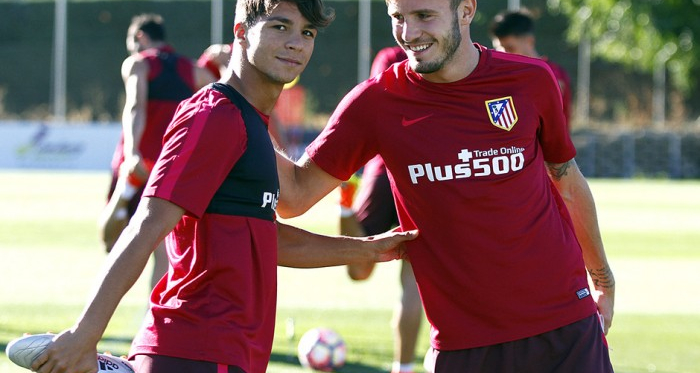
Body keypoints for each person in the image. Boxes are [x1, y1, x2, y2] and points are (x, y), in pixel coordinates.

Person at [29, 2, 417, 373]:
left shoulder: (251, 123)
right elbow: (147, 225)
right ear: (241, 34)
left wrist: (369, 248)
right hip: (195, 351)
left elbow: (265, 239)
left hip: (226, 353)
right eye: (279, 26)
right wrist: (84, 335)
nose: (296, 42)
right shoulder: (215, 114)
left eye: (307, 32)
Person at [275, 0, 615, 371]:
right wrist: (246, 99)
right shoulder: (375, 102)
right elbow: (292, 197)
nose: (409, 33)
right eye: (398, 18)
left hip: (565, 328)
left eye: (424, 16)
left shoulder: (530, 79)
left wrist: (602, 277)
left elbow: (567, 181)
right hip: (463, 344)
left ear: (466, 11)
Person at [99, 13, 217, 290]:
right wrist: (212, 60)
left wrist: (132, 152)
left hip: (137, 164)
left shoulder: (138, 64)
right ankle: (152, 320)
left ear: (139, 37)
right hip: (168, 170)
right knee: (163, 251)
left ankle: (124, 192)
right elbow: (218, 92)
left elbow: (135, 107)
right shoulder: (191, 69)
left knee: (111, 243)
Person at [339, 45, 424, 373]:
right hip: (429, 169)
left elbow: (378, 106)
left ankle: (344, 205)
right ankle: (405, 367)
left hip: (386, 165)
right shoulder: (453, 52)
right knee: (415, 278)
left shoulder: (390, 57)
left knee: (365, 269)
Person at [489, 8, 572, 129]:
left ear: (530, 41)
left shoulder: (552, 75)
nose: (503, 54)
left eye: (510, 48)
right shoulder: (500, 75)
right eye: (498, 49)